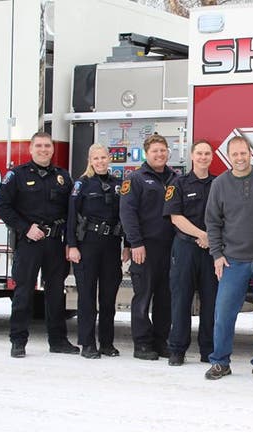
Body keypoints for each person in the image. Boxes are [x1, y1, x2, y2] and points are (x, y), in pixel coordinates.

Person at [0, 131, 78, 357]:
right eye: (39, 146)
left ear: (52, 149)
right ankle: (18, 341)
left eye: (47, 146)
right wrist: (25, 228)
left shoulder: (63, 177)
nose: (43, 149)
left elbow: (71, 211)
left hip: (54, 244)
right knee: (23, 292)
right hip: (29, 242)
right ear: (31, 149)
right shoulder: (16, 175)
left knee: (55, 294)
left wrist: (70, 241)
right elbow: (1, 207)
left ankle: (58, 341)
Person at [204, 135, 253, 380]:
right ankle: (220, 362)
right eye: (234, 154)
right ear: (228, 156)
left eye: (243, 153)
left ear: (249, 153)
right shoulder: (220, 185)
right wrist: (217, 255)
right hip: (232, 259)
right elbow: (212, 223)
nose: (239, 158)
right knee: (224, 312)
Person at [67, 143, 130, 359]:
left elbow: (126, 217)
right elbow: (71, 216)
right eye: (96, 158)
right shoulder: (82, 184)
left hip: (111, 245)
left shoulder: (118, 185)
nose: (101, 162)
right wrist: (72, 245)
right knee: (86, 297)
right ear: (90, 161)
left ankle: (106, 343)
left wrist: (128, 245)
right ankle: (87, 343)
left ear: (109, 159)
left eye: (104, 158)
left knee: (108, 298)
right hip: (88, 245)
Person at [119, 134, 177, 360]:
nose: (160, 154)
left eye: (163, 150)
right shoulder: (135, 179)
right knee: (143, 297)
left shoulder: (174, 178)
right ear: (146, 153)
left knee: (166, 298)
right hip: (145, 248)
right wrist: (136, 243)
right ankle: (142, 344)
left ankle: (161, 342)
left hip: (170, 248)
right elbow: (127, 213)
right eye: (155, 151)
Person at [163, 139, 218, 366]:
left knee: (211, 302)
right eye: (200, 153)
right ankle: (177, 349)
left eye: (207, 153)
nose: (203, 157)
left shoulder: (219, 184)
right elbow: (176, 217)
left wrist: (210, 239)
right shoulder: (178, 183)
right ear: (192, 156)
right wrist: (201, 235)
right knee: (181, 300)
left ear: (211, 157)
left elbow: (226, 216)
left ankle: (208, 350)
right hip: (185, 248)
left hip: (212, 251)